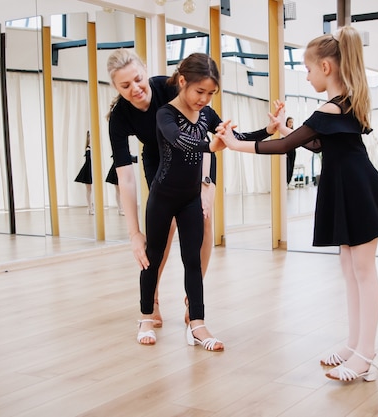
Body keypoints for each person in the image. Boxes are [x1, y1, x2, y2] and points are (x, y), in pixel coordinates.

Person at [217, 26, 378, 380]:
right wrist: (282, 130)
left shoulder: (332, 106)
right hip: (350, 187)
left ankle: (366, 354)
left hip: (358, 190)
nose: (305, 76)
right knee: (351, 270)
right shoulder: (345, 102)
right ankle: (354, 345)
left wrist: (234, 142)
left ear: (325, 67)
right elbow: (320, 144)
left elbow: (286, 146)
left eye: (306, 69)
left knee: (363, 272)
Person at [106, 49, 279, 329]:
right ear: (115, 87)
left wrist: (205, 187)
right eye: (125, 86)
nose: (136, 89)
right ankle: (153, 300)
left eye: (138, 79)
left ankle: (192, 299)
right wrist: (134, 233)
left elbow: (210, 132)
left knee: (204, 221)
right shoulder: (120, 117)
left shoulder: (171, 86)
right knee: (162, 232)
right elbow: (125, 177)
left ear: (145, 71)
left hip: (200, 156)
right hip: (159, 158)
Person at [137, 52, 257, 350]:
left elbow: (234, 137)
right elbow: (178, 139)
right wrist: (209, 145)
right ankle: (145, 317)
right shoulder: (165, 113)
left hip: (191, 198)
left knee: (193, 259)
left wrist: (270, 130)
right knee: (152, 257)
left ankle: (197, 325)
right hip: (162, 197)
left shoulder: (207, 114)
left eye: (211, 93)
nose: (204, 99)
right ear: (182, 82)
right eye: (199, 91)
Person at [74, 130, 94, 214]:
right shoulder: (88, 148)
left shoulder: (93, 147)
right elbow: (88, 161)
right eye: (89, 136)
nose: (90, 138)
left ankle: (91, 206)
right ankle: (89, 207)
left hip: (92, 169)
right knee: (89, 189)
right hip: (87, 170)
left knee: (91, 189)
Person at [285, 117, 297, 187]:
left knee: (291, 167)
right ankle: (286, 182)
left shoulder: (293, 132)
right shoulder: (284, 130)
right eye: (289, 122)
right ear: (286, 122)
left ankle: (288, 182)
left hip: (293, 150)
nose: (290, 124)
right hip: (287, 151)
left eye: (292, 122)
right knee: (287, 167)